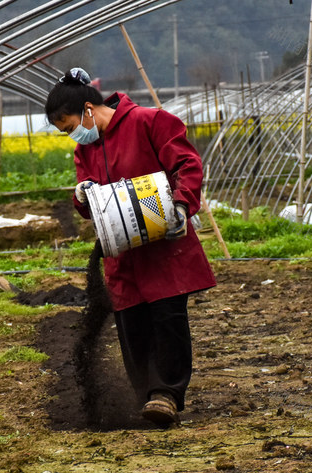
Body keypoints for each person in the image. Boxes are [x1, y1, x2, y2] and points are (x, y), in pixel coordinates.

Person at [45, 67, 216, 427]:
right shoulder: (85, 150)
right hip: (121, 252)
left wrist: (182, 206)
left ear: (88, 110)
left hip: (163, 247)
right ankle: (145, 399)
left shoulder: (149, 122)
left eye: (70, 125)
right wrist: (80, 197)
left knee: (168, 320)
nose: (71, 135)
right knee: (132, 325)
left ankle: (166, 395)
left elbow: (187, 164)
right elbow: (89, 200)